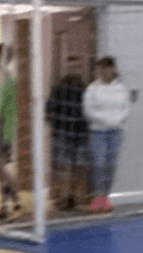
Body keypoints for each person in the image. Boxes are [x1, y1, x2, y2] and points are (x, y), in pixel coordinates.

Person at [83, 56, 131, 213]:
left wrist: (117, 121)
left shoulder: (121, 89)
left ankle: (106, 196)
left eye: (106, 68)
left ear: (113, 70)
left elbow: (126, 108)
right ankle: (98, 195)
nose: (103, 72)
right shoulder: (92, 89)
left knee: (111, 164)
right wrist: (105, 120)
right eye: (100, 69)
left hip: (116, 132)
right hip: (98, 132)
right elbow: (88, 110)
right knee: (99, 162)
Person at [46, 55, 89, 211]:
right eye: (70, 67)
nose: (73, 70)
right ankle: (63, 197)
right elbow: (48, 109)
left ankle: (75, 197)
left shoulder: (86, 89)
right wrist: (55, 127)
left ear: (80, 69)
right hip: (63, 133)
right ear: (66, 68)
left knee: (79, 167)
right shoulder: (59, 87)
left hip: (81, 134)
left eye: (76, 67)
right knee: (63, 167)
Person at [0, 43, 20, 220]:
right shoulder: (0, 79)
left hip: (2, 129)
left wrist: (2, 133)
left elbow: (3, 111)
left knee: (0, 167)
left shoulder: (6, 81)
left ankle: (13, 194)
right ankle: (6, 204)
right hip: (0, 129)